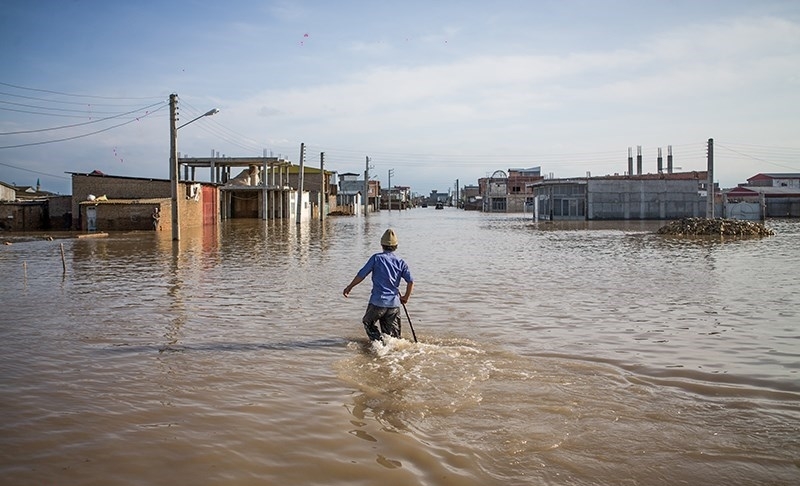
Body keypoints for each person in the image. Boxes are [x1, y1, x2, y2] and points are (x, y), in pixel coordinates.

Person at [343, 228, 414, 342]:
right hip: (394, 305)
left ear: (382, 244)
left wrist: (349, 287)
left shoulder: (376, 258)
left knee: (368, 322)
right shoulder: (401, 262)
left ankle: (378, 344)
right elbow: (410, 281)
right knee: (393, 337)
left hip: (377, 302)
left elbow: (362, 275)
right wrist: (406, 297)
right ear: (396, 246)